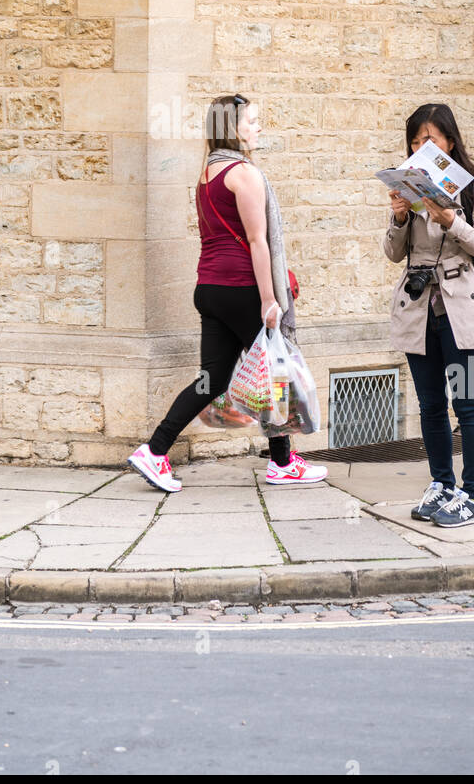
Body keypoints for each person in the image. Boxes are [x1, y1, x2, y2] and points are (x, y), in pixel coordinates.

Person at [128, 93, 327, 493]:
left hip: (210, 288)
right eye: (252, 121)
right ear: (232, 127)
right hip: (242, 291)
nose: (258, 128)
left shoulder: (207, 173)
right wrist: (269, 300)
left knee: (213, 378)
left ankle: (155, 450)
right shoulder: (244, 174)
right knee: (275, 373)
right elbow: (258, 241)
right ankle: (283, 463)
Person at [383, 103, 474, 527]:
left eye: (429, 140)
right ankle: (442, 484)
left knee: (467, 403)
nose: (421, 147)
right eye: (415, 141)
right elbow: (395, 253)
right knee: (431, 405)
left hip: (462, 310)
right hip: (420, 310)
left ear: (449, 142)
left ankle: (473, 496)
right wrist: (399, 217)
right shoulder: (411, 185)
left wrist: (451, 219)